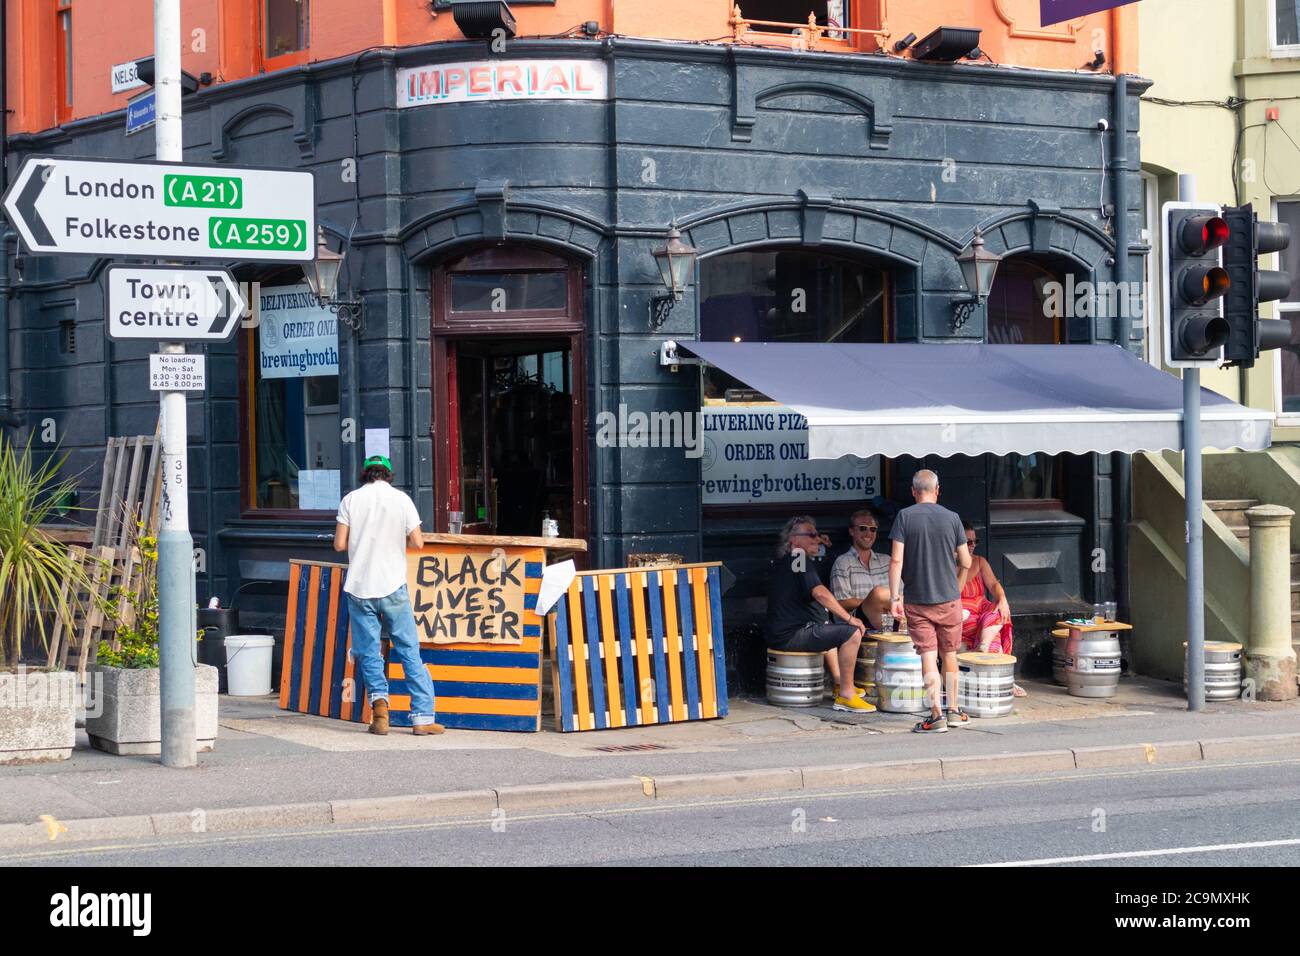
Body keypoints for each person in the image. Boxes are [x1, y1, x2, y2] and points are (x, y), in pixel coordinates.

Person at [334, 454, 444, 736]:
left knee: (369, 652)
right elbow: (418, 542)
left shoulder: (350, 500)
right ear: (388, 475)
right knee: (408, 650)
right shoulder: (402, 500)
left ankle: (380, 713)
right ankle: (421, 718)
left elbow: (339, 544)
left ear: (365, 474)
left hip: (359, 586)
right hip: (393, 584)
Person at [889, 470, 972, 733]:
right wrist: (957, 579)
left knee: (927, 654)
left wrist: (894, 597)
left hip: (917, 599)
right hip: (949, 598)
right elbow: (966, 561)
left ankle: (936, 714)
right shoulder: (953, 518)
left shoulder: (904, 517)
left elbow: (895, 561)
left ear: (914, 491)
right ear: (938, 490)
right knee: (950, 654)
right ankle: (955, 710)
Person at [766, 516, 875, 712]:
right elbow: (819, 592)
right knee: (851, 632)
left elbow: (811, 582)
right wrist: (850, 618)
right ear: (794, 540)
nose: (817, 538)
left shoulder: (791, 561)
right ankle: (846, 695)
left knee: (825, 622)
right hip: (792, 635)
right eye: (811, 535)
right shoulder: (798, 558)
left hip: (784, 633)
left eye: (817, 534)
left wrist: (821, 545)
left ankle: (839, 683)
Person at [958, 521, 1026, 697]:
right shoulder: (946, 564)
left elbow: (994, 584)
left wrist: (1002, 599)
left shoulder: (980, 562)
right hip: (961, 613)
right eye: (968, 542)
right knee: (990, 629)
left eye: (975, 541)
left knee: (998, 609)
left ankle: (983, 645)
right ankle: (1004, 680)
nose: (972, 546)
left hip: (982, 612)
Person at [830, 506, 894, 630]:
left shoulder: (887, 560)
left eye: (873, 529)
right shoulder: (843, 562)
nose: (868, 533)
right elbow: (841, 602)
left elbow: (901, 596)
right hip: (858, 626)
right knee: (878, 593)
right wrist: (873, 602)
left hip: (891, 622)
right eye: (863, 528)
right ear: (852, 531)